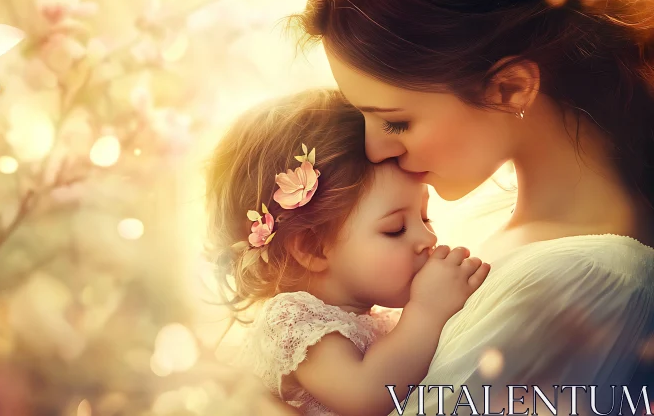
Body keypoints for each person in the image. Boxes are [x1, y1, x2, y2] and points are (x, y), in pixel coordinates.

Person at [291, 0, 654, 414]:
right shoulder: (490, 219)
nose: (373, 149)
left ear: (510, 88)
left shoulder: (581, 281)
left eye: (397, 121)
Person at [205, 89, 491, 415]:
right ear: (313, 248)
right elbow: (365, 395)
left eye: (425, 216)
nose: (428, 236)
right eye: (395, 228)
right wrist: (428, 312)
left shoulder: (385, 322)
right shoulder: (292, 320)